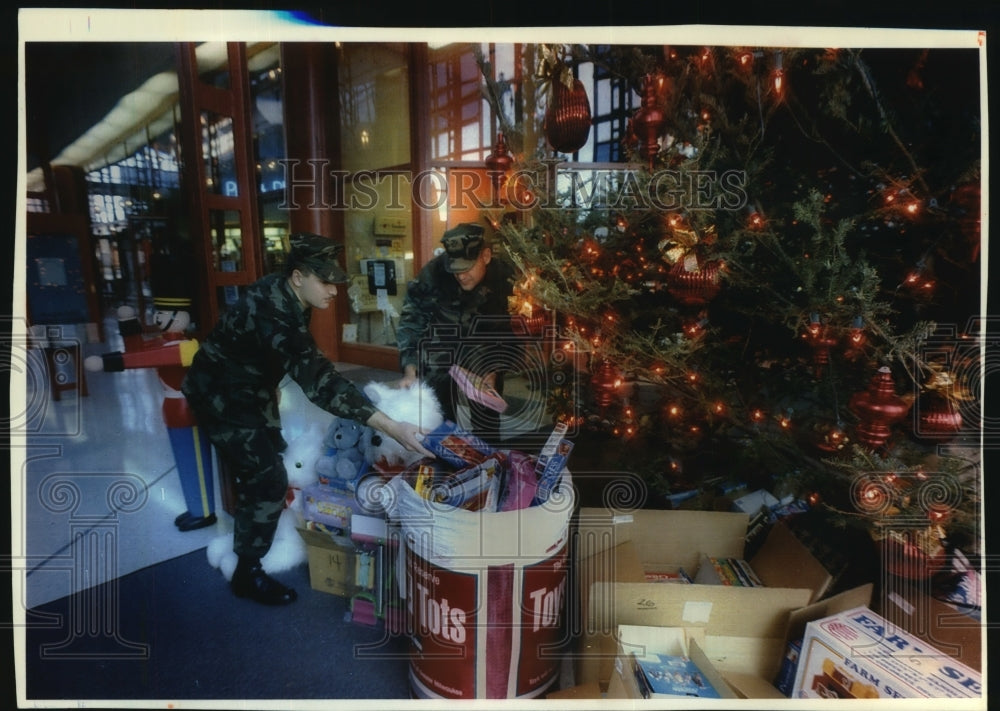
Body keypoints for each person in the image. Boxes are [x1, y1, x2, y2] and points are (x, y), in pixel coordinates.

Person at [181, 232, 433, 606]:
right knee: (267, 477)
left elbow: (272, 349)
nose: (333, 290)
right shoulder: (275, 310)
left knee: (274, 452)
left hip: (249, 384)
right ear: (298, 276)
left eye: (335, 280)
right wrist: (392, 426)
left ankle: (273, 524)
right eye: (325, 281)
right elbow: (320, 383)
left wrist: (267, 380)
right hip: (221, 393)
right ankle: (247, 572)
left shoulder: (287, 292)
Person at [396, 222, 518, 445]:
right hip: (441, 346)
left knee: (486, 419)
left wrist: (495, 369)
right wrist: (410, 367)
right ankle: (442, 466)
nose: (461, 276)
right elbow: (411, 319)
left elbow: (513, 331)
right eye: (456, 269)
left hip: (484, 350)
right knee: (437, 416)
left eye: (467, 267)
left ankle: (487, 468)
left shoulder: (506, 278)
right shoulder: (433, 272)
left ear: (486, 256)